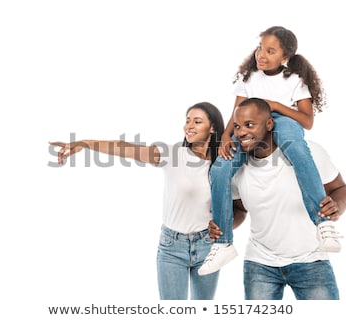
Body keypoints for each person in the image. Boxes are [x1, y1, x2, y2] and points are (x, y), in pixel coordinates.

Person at [49, 102, 237, 300]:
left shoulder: (224, 165)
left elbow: (237, 209)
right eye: (187, 120)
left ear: (213, 127)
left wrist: (223, 227)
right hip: (172, 247)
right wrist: (84, 143)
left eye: (197, 121)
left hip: (208, 246)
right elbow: (124, 148)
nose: (188, 126)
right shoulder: (172, 154)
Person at [198, 26, 342, 276]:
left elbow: (306, 121)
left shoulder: (294, 80)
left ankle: (322, 222)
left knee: (296, 148)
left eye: (270, 51)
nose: (261, 55)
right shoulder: (249, 78)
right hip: (249, 126)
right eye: (260, 48)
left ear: (285, 57)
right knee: (221, 168)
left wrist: (274, 105)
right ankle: (223, 244)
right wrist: (224, 136)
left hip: (282, 119)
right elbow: (237, 112)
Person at [209, 98, 346, 299]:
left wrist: (337, 206)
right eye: (237, 126)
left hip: (312, 261)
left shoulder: (309, 153)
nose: (240, 133)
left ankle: (324, 227)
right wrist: (224, 225)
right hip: (260, 264)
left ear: (269, 124)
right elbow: (240, 210)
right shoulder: (237, 168)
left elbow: (340, 189)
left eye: (249, 125)